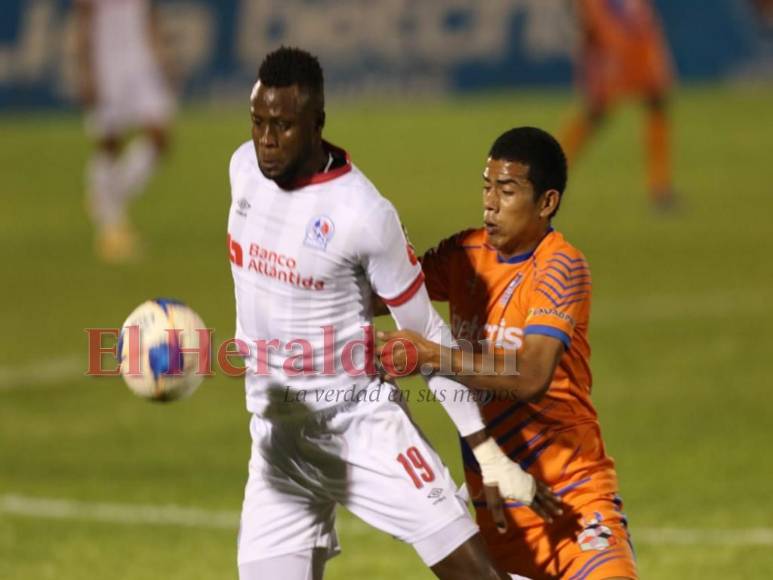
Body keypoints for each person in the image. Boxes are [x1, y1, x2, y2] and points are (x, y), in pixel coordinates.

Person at [227, 47, 560, 580]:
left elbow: (425, 332)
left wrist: (484, 449)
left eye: (283, 126)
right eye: (258, 122)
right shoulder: (242, 169)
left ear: (317, 124)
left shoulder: (363, 215)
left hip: (360, 426)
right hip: (277, 442)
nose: (266, 139)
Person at [377, 127, 638, 579]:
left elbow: (531, 375)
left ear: (547, 202)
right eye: (486, 186)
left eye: (507, 190)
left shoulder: (561, 267)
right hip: (495, 514)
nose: (490, 203)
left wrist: (431, 354)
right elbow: (380, 296)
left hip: (571, 499)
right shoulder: (464, 254)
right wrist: (369, 252)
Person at [75, 0, 174, 262]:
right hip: (106, 61)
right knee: (109, 141)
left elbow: (149, 14)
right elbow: (82, 21)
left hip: (141, 60)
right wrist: (85, 70)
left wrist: (162, 56)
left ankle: (106, 194)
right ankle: (112, 228)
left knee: (160, 136)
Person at [560, 0, 675, 209]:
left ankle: (660, 186)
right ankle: (547, 171)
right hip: (610, 30)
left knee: (655, 100)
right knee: (597, 110)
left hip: (632, 28)